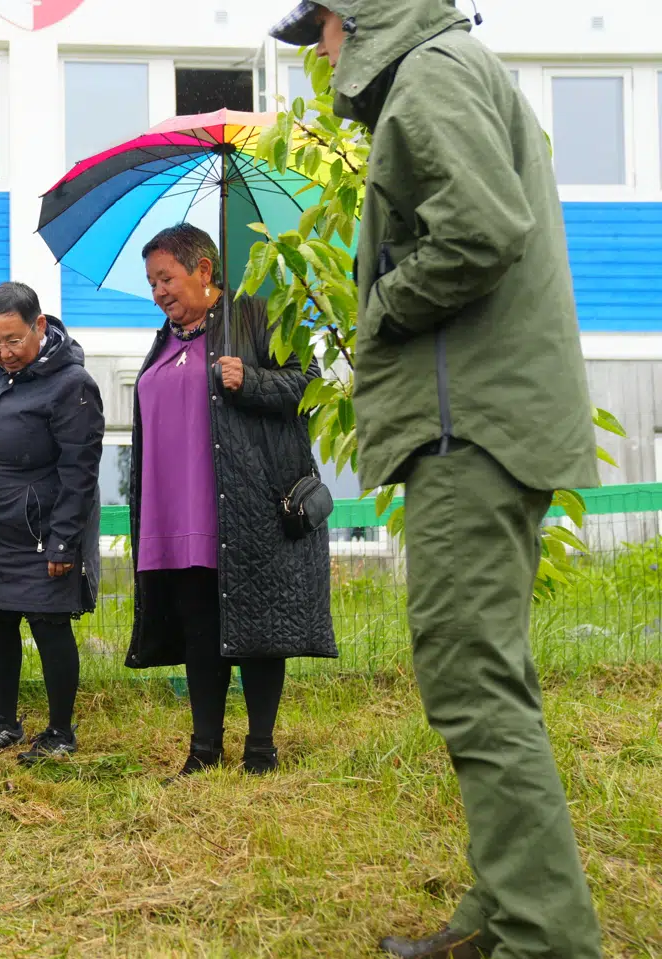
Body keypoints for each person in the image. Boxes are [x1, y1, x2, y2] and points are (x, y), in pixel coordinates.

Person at [270, 3, 603, 957]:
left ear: (358, 19)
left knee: (470, 680)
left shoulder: (432, 74)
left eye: (322, 33)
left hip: (474, 428)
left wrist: (381, 308)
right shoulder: (449, 70)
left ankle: (545, 938)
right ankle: (506, 910)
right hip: (488, 420)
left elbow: (482, 228)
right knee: (487, 674)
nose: (320, 56)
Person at [123, 224, 336, 776]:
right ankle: (204, 749)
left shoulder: (256, 314)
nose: (159, 292)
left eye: (166, 278)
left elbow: (310, 387)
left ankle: (261, 749)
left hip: (248, 506)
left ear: (204, 271)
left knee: (260, 628)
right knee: (200, 627)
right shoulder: (166, 338)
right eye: (151, 283)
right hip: (180, 511)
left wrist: (255, 381)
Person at [0, 281, 104, 763]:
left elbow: (81, 471)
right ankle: (5, 722)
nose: (2, 352)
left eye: (13, 340)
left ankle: (59, 732)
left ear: (40, 327)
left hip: (43, 528)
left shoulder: (72, 385)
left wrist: (64, 542)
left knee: (49, 625)